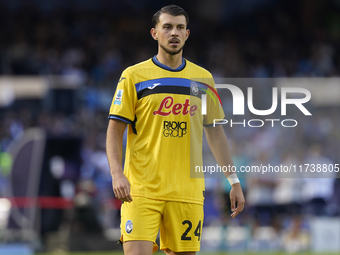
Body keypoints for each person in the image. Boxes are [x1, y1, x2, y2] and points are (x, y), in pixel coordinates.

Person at [106, 5, 245, 255]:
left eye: (180, 27)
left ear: (187, 34)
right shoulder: (133, 76)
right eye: (167, 27)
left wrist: (233, 180)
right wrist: (117, 173)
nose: (174, 33)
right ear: (154, 33)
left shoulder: (203, 79)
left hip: (187, 191)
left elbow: (215, 132)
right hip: (142, 191)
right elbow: (115, 129)